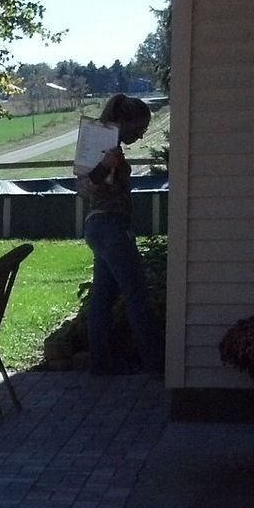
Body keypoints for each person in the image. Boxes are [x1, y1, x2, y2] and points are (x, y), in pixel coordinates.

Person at [79, 93, 164, 375]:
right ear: (124, 122)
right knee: (136, 295)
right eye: (138, 129)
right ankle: (156, 362)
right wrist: (105, 166)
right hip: (112, 227)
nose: (140, 136)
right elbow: (84, 186)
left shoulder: (109, 145)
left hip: (98, 227)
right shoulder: (101, 145)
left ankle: (101, 364)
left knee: (102, 298)